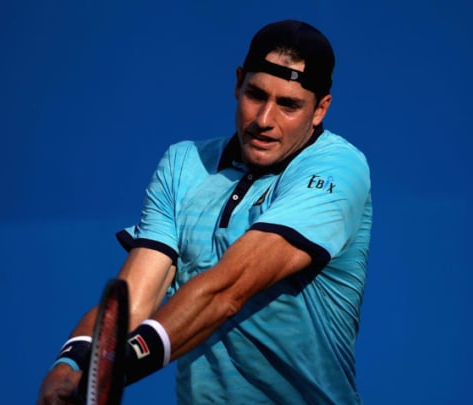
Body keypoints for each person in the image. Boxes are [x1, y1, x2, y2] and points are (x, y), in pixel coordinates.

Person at [37, 19, 372, 405]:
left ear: (320, 109)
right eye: (255, 95)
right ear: (237, 83)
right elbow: (135, 298)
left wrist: (121, 364)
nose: (264, 120)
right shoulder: (183, 164)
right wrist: (70, 367)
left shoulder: (338, 168)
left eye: (289, 105)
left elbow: (229, 289)